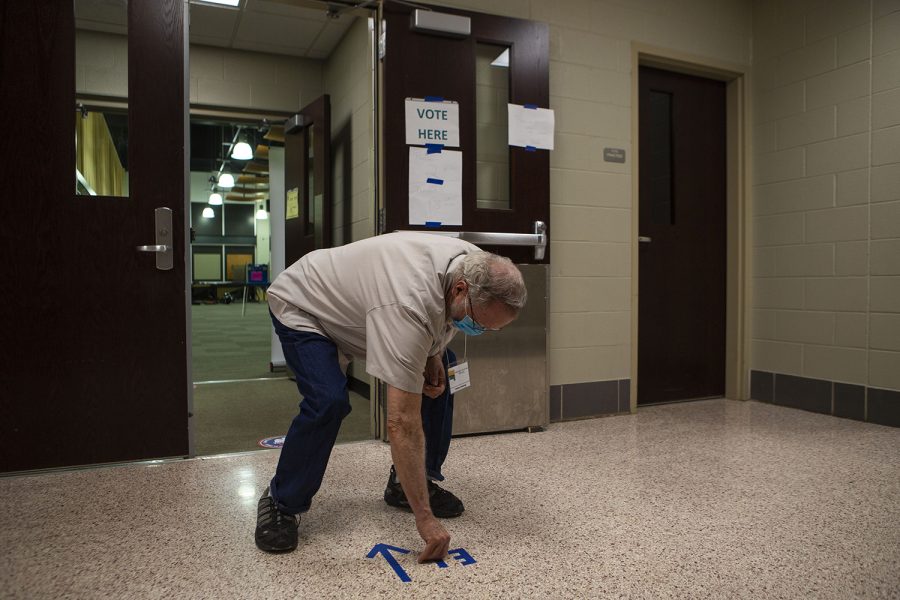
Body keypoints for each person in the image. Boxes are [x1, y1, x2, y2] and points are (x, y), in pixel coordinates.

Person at [255, 231, 527, 562]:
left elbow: (441, 319)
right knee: (328, 400)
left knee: (443, 370)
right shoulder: (408, 302)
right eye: (477, 323)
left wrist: (435, 351)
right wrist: (425, 519)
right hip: (306, 305)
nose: (477, 330)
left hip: (364, 309)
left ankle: (407, 483)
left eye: (488, 329)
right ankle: (281, 501)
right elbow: (401, 422)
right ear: (460, 289)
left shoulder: (473, 264)